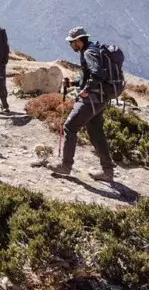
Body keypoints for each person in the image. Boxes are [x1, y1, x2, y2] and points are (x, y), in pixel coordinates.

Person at [49, 27, 114, 182]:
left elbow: (98, 74)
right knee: (97, 133)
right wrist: (73, 83)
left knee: (70, 127)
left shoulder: (88, 53)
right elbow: (90, 76)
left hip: (91, 99)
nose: (71, 45)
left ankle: (65, 166)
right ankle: (108, 172)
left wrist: (86, 90)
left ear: (78, 41)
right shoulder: (93, 50)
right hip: (100, 99)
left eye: (72, 42)